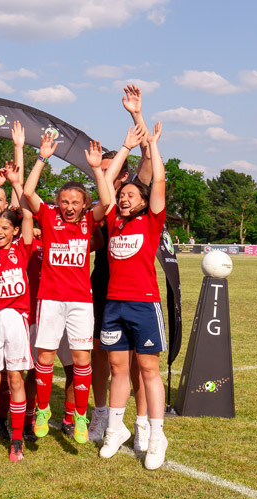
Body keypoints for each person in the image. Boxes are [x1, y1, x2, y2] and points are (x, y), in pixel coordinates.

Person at [22, 132, 112, 445]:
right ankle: (43, 409)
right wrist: (42, 158)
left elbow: (109, 201)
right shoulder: (48, 216)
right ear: (57, 203)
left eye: (75, 202)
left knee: (82, 359)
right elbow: (28, 190)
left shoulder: (89, 220)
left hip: (80, 302)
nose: (69, 207)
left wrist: (98, 169)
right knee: (45, 357)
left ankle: (80, 416)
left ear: (84, 204)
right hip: (49, 299)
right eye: (64, 202)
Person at [99, 122, 170, 470]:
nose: (124, 198)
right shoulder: (113, 220)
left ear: (143, 202)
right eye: (122, 194)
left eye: (131, 195)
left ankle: (157, 436)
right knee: (117, 368)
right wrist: (125, 147)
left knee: (147, 368)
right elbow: (104, 181)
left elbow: (158, 181)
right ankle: (115, 430)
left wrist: (153, 145)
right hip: (114, 304)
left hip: (144, 303)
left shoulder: (151, 221)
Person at [0, 160, 34, 462]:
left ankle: (16, 441)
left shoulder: (22, 247)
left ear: (15, 231)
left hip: (15, 319)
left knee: (15, 379)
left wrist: (16, 184)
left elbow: (26, 214)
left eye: (6, 228)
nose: (0, 232)